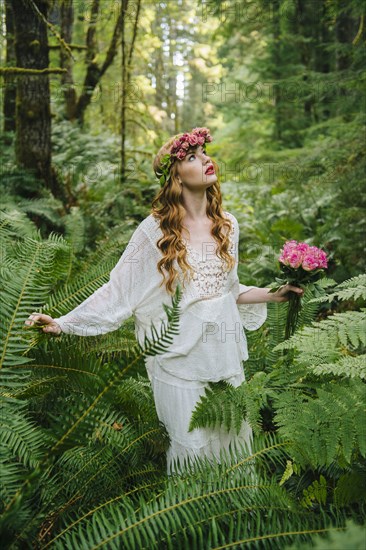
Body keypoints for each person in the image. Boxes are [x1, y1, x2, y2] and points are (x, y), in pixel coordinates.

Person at [26, 127, 303, 475]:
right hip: (179, 361)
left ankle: (236, 520)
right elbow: (119, 289)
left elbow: (228, 291)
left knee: (234, 444)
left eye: (204, 152)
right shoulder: (154, 231)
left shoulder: (227, 226)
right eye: (192, 157)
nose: (205, 159)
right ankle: (189, 527)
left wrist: (278, 294)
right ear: (176, 175)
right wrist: (64, 322)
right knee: (192, 451)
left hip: (223, 356)